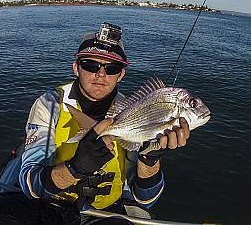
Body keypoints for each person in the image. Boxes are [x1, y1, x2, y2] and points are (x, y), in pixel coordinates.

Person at [19, 23, 190, 224]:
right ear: (76, 67)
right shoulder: (49, 104)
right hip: (51, 207)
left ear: (121, 74)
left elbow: (145, 200)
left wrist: (150, 159)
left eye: (112, 68)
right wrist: (75, 169)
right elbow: (29, 185)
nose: (101, 74)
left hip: (106, 211)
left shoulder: (137, 110)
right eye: (91, 65)